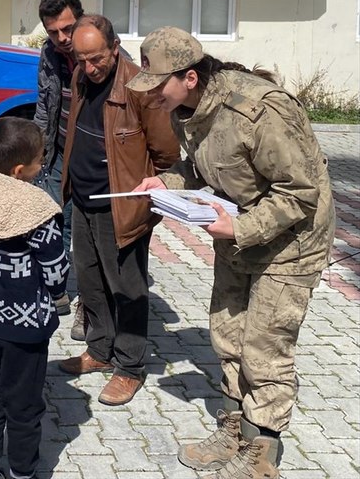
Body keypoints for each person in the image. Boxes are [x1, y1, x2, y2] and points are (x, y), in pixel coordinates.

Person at [128, 26, 335, 479]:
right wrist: (165, 182)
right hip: (237, 234)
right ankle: (234, 429)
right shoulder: (189, 109)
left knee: (265, 345)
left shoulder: (259, 112)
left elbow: (299, 193)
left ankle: (263, 452)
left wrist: (238, 226)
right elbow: (200, 168)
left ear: (189, 77)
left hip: (291, 243)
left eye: (157, 86)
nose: (151, 97)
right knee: (227, 333)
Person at [57, 15, 180, 406]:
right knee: (90, 281)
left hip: (123, 206)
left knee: (127, 287)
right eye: (81, 59)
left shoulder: (138, 89)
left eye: (96, 59)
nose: (89, 68)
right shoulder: (80, 77)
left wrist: (145, 199)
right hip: (84, 198)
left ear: (115, 47)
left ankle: (130, 366)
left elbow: (166, 154)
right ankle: (99, 350)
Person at [0, 117, 69, 479]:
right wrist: (58, 297)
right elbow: (55, 269)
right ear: (21, 170)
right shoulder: (37, 211)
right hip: (25, 324)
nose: (43, 166)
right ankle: (23, 469)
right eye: (41, 160)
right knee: (24, 403)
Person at [32, 0, 83, 326]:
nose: (62, 38)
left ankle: (91, 308)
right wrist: (36, 154)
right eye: (54, 32)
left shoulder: (105, 53)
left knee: (93, 236)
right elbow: (42, 106)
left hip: (97, 162)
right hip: (58, 154)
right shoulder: (49, 54)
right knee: (54, 223)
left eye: (68, 29)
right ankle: (56, 292)